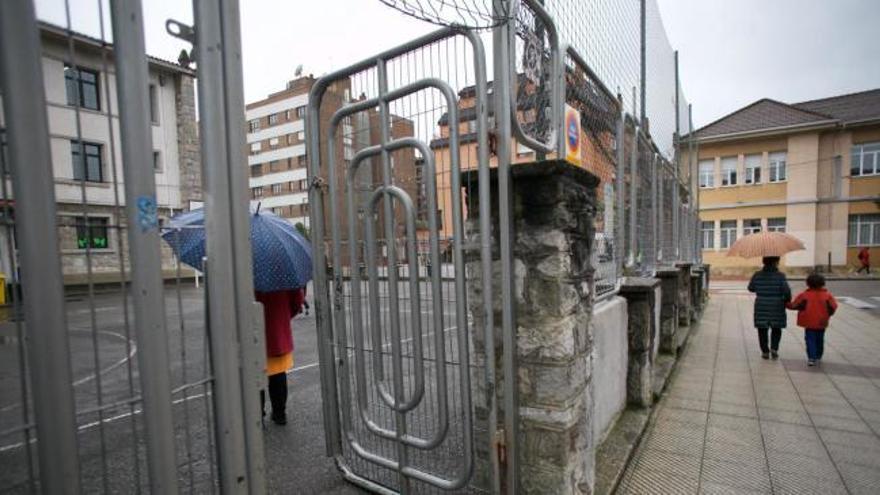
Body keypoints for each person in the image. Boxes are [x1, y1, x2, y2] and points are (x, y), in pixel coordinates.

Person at [255, 287, 305, 425]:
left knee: (253, 375)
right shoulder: (282, 271)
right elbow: (297, 300)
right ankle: (279, 413)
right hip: (276, 328)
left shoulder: (244, 269)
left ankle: (256, 417)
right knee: (278, 373)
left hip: (251, 329)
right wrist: (283, 316)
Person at [787, 273, 838, 366]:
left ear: (808, 283)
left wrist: (786, 303)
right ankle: (818, 355)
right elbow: (833, 307)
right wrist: (828, 314)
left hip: (808, 321)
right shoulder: (827, 295)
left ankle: (811, 357)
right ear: (822, 283)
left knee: (810, 339)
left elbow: (794, 305)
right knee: (820, 338)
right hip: (822, 321)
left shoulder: (804, 295)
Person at [747, 256, 792, 359]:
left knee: (762, 328)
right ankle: (774, 348)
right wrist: (787, 300)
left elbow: (751, 288)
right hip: (777, 304)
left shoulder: (757, 275)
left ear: (764, 262)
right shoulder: (780, 276)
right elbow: (786, 291)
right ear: (776, 262)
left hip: (761, 304)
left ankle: (765, 351)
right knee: (776, 327)